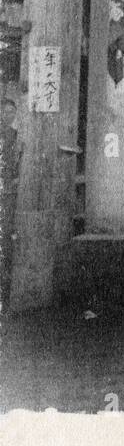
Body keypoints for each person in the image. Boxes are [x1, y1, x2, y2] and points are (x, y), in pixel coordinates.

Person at [0, 96, 20, 299]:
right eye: (5, 112)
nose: (8, 115)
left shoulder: (15, 135)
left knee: (6, 232)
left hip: (8, 190)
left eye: (11, 112)